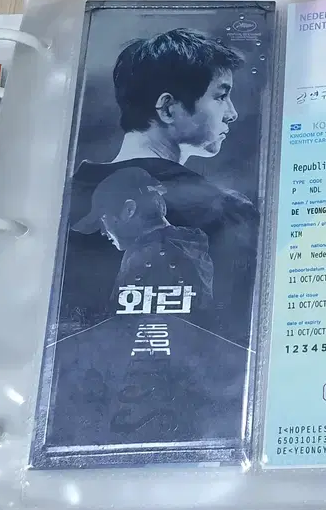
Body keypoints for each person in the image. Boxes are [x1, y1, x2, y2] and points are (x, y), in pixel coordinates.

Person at [61, 28, 257, 340]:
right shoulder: (228, 211)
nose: (232, 113)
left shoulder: (60, 200)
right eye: (221, 96)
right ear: (168, 109)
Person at [71, 167, 213, 301]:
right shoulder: (189, 246)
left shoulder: (145, 255)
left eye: (103, 219)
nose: (102, 232)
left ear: (129, 209)